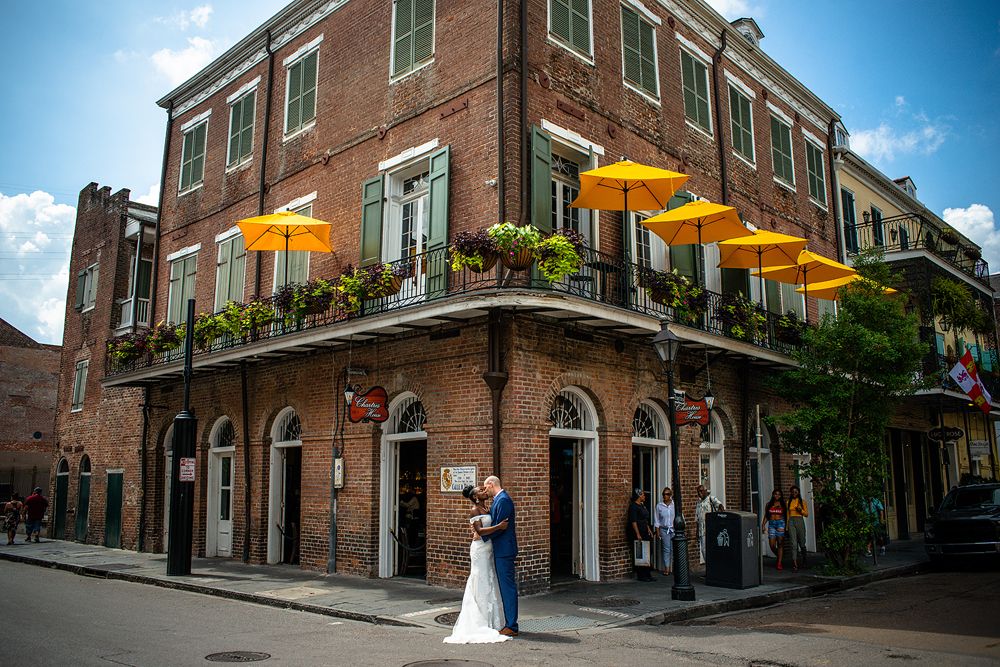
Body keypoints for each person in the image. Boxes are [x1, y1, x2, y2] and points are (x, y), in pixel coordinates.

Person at [443, 486, 510, 644]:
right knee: (480, 579)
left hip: (488, 549)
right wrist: (499, 526)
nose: (484, 491)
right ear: (475, 497)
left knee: (489, 579)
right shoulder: (474, 510)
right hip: (479, 550)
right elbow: (480, 531)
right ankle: (478, 618)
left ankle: (490, 619)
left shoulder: (486, 507)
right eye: (480, 490)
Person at [479, 475, 518, 637]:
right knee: (503, 586)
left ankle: (512, 626)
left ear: (491, 484)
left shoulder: (503, 500)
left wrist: (482, 536)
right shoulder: (498, 500)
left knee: (507, 587)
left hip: (504, 550)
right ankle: (508, 622)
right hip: (500, 549)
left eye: (485, 487)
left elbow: (500, 526)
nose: (484, 490)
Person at [627, 488, 655, 582]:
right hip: (639, 532)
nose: (644, 496)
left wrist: (649, 529)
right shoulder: (633, 507)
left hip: (645, 531)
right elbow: (633, 521)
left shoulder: (642, 505)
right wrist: (637, 534)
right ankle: (641, 575)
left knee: (648, 551)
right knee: (641, 553)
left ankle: (647, 573)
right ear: (639, 496)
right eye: (642, 494)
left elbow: (645, 519)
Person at [694, 484, 724, 565]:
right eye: (698, 492)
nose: (699, 493)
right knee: (704, 550)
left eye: (701, 491)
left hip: (711, 528)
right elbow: (697, 518)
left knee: (712, 548)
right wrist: (697, 531)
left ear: (705, 491)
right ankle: (709, 566)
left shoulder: (711, 499)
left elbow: (720, 506)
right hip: (701, 530)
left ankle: (714, 566)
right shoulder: (698, 503)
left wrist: (719, 518)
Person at [762, 489, 788, 570]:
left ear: (781, 496)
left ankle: (779, 563)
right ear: (773, 495)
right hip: (772, 524)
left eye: (779, 494)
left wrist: (786, 527)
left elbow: (787, 517)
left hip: (780, 523)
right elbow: (766, 515)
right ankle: (780, 556)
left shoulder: (783, 504)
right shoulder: (769, 504)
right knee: (772, 545)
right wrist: (763, 525)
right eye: (775, 494)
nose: (777, 496)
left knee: (780, 544)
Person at [653, 487, 675, 576]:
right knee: (666, 549)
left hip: (673, 529)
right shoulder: (659, 506)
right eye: (663, 494)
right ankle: (667, 568)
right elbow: (656, 520)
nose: (665, 496)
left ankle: (672, 567)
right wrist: (658, 532)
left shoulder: (674, 504)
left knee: (673, 549)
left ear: (670, 495)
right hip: (664, 529)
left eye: (667, 494)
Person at [787, 485, 808, 572]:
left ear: (798, 493)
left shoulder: (802, 502)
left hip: (799, 520)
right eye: (792, 492)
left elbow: (806, 514)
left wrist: (800, 510)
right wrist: (786, 527)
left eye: (796, 492)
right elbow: (787, 515)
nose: (794, 493)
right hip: (791, 521)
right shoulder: (788, 502)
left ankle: (804, 559)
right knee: (793, 543)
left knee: (802, 542)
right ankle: (795, 564)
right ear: (791, 493)